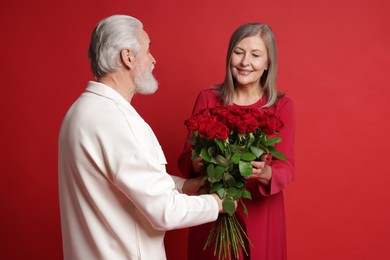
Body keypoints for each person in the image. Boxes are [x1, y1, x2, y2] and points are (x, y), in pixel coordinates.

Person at [58, 14, 228, 260]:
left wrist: (184, 186)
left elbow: (130, 177)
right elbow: (164, 211)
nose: (152, 59)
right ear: (128, 57)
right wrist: (218, 203)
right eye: (148, 50)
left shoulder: (78, 112)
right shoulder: (117, 121)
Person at [178, 23, 295, 259]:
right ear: (229, 54)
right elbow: (185, 160)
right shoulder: (208, 99)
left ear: (268, 63)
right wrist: (199, 163)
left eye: (255, 55)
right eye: (239, 52)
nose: (245, 62)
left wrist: (266, 173)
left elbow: (287, 168)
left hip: (261, 215)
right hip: (212, 213)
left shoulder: (281, 106)